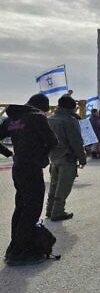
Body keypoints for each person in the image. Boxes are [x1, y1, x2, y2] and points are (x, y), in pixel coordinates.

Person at [1, 94, 58, 265]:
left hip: (18, 167)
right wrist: (41, 157)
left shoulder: (11, 118)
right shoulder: (36, 117)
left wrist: (9, 153)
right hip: (32, 168)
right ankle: (20, 251)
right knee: (32, 209)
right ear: (41, 107)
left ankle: (14, 246)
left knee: (21, 207)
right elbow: (53, 141)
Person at [45, 95, 87, 221]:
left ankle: (49, 209)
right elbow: (76, 142)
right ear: (72, 107)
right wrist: (82, 158)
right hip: (67, 157)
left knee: (54, 184)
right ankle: (57, 212)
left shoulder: (50, 119)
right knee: (63, 186)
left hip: (53, 157)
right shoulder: (69, 120)